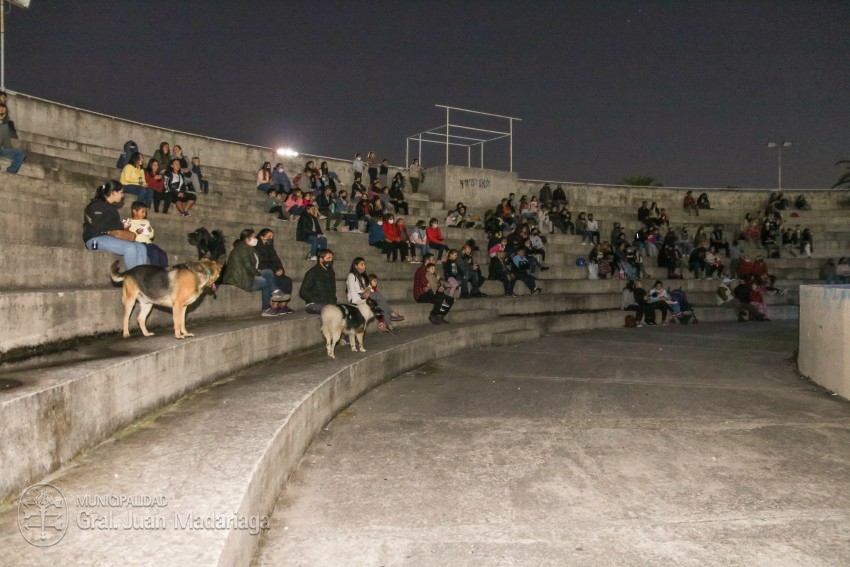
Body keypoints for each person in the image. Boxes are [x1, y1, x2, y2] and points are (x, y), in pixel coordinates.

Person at [83, 181, 148, 269]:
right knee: (130, 248)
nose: (123, 195)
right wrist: (121, 226)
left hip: (109, 237)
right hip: (94, 239)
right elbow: (98, 227)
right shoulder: (95, 206)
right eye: (121, 192)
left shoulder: (112, 209)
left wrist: (123, 226)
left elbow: (114, 227)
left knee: (141, 247)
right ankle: (133, 279)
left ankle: (141, 279)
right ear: (113, 192)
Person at [222, 229, 287, 317]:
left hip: (248, 274)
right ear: (247, 238)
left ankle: (274, 294)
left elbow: (256, 265)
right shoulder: (242, 248)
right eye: (253, 236)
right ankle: (268, 305)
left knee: (267, 272)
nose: (255, 238)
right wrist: (258, 273)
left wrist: (259, 271)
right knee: (267, 281)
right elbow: (248, 266)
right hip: (239, 277)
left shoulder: (250, 248)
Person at [347, 257, 392, 333]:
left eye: (364, 264)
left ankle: (383, 321)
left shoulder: (363, 276)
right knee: (377, 297)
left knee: (378, 298)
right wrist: (360, 302)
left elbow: (369, 286)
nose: (364, 266)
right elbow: (353, 291)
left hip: (364, 297)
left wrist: (367, 290)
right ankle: (388, 315)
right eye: (362, 264)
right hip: (355, 299)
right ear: (355, 266)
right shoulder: (351, 276)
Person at [256, 228, 294, 314]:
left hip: (274, 270)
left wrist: (281, 269)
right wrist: (274, 271)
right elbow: (261, 263)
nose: (271, 238)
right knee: (278, 280)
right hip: (266, 271)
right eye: (268, 236)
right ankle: (275, 306)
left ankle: (283, 306)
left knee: (287, 281)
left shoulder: (270, 248)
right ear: (262, 237)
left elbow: (277, 260)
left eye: (272, 237)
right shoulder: (257, 247)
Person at [413, 254, 455, 324]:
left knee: (450, 300)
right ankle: (433, 315)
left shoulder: (432, 270)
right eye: (432, 260)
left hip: (430, 291)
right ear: (427, 261)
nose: (434, 261)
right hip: (421, 294)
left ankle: (440, 316)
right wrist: (437, 287)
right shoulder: (421, 270)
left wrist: (441, 287)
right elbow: (426, 283)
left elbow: (436, 283)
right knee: (440, 296)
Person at [127, 201, 168, 266]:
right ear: (134, 212)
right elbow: (128, 235)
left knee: (163, 254)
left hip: (149, 243)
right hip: (138, 243)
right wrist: (137, 232)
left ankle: (164, 273)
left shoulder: (146, 221)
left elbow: (151, 236)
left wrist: (150, 231)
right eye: (142, 212)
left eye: (145, 212)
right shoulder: (129, 221)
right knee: (154, 252)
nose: (144, 214)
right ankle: (154, 272)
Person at [299, 249, 337, 314]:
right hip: (314, 304)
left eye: (331, 258)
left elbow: (333, 290)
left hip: (327, 303)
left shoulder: (331, 272)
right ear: (321, 259)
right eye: (328, 258)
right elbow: (303, 292)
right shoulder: (312, 273)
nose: (330, 260)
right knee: (333, 312)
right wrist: (319, 299)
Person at [0, 102, 26, 174]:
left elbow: (6, 144)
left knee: (21, 153)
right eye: (0, 110)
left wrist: (10, 150)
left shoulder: (4, 126)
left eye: (3, 111)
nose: (1, 112)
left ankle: (10, 172)